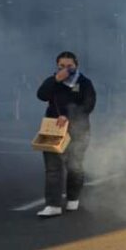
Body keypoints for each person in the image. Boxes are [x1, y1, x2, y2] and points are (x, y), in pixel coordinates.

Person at [35, 51, 97, 217]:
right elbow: (41, 95)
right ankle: (53, 204)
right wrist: (55, 80)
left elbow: (89, 105)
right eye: (61, 66)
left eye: (69, 66)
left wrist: (69, 117)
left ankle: (73, 198)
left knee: (74, 166)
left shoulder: (84, 83)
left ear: (76, 65)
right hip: (54, 128)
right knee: (52, 168)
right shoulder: (53, 81)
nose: (66, 69)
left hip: (78, 130)